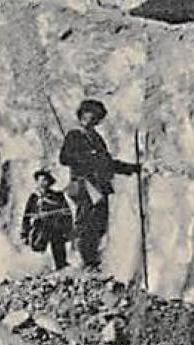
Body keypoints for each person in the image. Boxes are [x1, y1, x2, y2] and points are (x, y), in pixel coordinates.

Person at [58, 98, 139, 272]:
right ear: (81, 115)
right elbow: (64, 158)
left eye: (95, 116)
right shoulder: (74, 135)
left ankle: (92, 260)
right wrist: (87, 156)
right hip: (84, 184)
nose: (91, 118)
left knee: (99, 223)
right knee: (85, 222)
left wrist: (132, 168)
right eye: (88, 114)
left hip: (100, 186)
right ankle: (82, 260)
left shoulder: (97, 138)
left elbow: (108, 163)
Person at [21, 169, 74, 271]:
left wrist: (68, 228)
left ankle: (60, 265)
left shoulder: (58, 196)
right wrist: (24, 233)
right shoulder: (34, 198)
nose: (43, 182)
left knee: (57, 242)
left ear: (49, 182)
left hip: (55, 227)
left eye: (45, 180)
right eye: (40, 180)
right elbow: (26, 216)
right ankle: (40, 267)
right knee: (37, 246)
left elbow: (67, 212)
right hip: (39, 228)